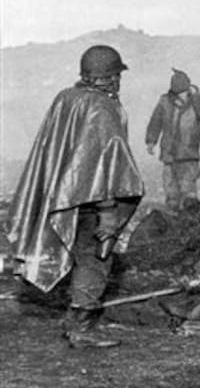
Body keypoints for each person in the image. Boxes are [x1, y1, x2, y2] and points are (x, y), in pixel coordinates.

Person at [7, 45, 144, 348]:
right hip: (92, 202)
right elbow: (106, 164)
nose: (119, 82)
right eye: (116, 76)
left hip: (64, 195)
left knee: (81, 254)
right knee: (96, 258)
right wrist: (109, 213)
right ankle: (83, 328)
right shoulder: (102, 108)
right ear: (108, 78)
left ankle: (73, 321)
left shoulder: (66, 98)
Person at [145, 68, 200, 211]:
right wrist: (151, 141)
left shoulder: (195, 101)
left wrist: (196, 97)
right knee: (170, 189)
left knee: (188, 189)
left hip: (189, 152)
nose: (180, 95)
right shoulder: (164, 101)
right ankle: (173, 214)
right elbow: (156, 121)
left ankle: (189, 216)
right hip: (169, 153)